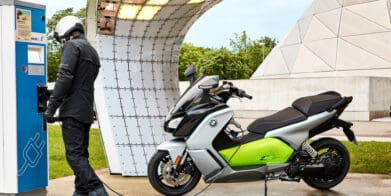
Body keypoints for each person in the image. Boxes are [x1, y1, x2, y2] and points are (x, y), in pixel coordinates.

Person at [44, 16, 108, 196]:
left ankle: (98, 191)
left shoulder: (72, 46)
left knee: (74, 155)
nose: (62, 42)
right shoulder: (91, 50)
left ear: (66, 31)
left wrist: (51, 108)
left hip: (72, 111)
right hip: (86, 110)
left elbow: (65, 77)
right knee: (81, 155)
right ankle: (81, 192)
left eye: (61, 38)